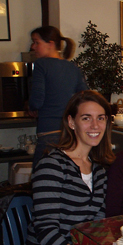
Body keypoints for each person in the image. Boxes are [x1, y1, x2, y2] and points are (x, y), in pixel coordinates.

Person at [26, 90, 115, 245]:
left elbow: (96, 225)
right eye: (86, 118)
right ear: (72, 122)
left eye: (100, 118)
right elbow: (45, 228)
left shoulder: (100, 170)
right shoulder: (52, 165)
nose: (95, 125)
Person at [29, 26, 87, 169]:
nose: (33, 47)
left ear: (51, 44)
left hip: (48, 131)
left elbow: (37, 98)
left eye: (36, 42)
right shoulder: (73, 67)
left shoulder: (41, 64)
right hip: (70, 133)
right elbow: (85, 96)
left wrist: (30, 107)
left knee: (42, 176)